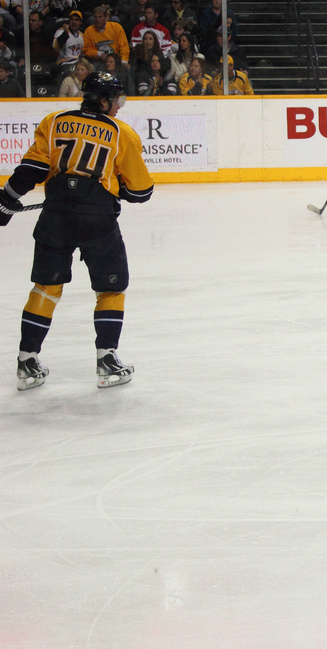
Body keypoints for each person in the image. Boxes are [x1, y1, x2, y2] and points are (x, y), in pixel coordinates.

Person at [0, 72, 153, 391]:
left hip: (56, 216)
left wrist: (6, 198)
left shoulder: (54, 121)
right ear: (103, 100)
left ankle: (26, 363)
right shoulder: (121, 132)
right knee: (111, 289)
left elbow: (31, 170)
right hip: (98, 220)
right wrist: (117, 188)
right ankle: (107, 362)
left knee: (45, 287)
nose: (119, 106)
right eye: (116, 100)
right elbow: (141, 192)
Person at [53, 8, 84, 76]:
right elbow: (55, 47)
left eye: (76, 20)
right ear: (69, 21)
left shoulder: (82, 35)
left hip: (78, 63)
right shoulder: (60, 31)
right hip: (65, 63)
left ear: (80, 22)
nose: (74, 22)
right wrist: (65, 34)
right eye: (72, 19)